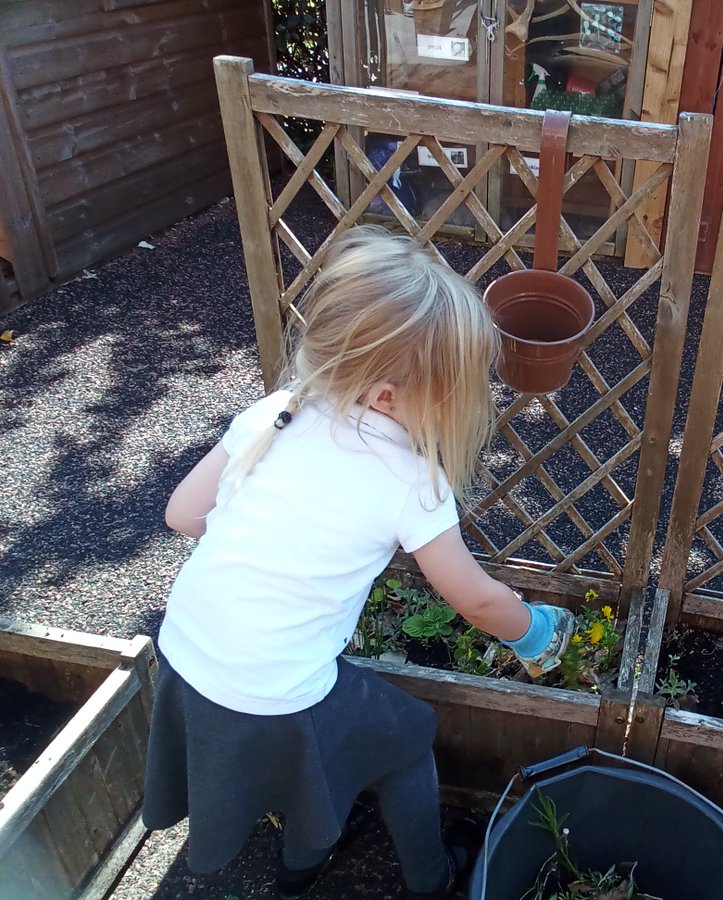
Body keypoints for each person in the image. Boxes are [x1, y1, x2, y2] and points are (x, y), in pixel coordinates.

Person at [143, 226, 574, 899]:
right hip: (274, 687)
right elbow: (477, 599)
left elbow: (181, 515)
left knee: (316, 746)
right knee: (408, 735)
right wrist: (536, 632)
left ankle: (303, 860)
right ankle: (427, 878)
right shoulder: (409, 479)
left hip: (183, 656)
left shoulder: (276, 412)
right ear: (385, 396)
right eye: (450, 388)